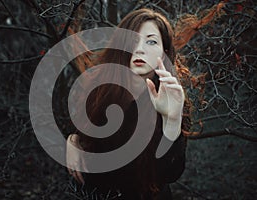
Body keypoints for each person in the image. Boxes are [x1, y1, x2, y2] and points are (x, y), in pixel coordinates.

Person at [64, 8, 187, 200]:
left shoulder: (173, 96)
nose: (139, 49)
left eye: (151, 41)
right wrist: (73, 140)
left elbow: (169, 174)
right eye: (133, 40)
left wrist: (171, 119)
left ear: (163, 53)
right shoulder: (99, 88)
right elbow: (82, 133)